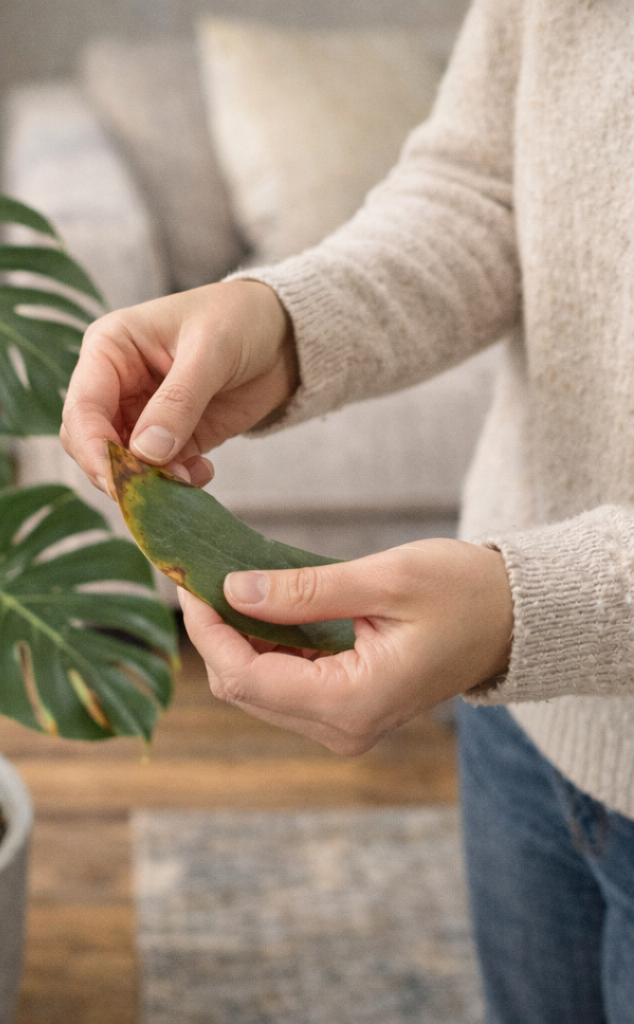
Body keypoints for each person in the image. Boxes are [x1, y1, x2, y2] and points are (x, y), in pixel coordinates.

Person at [59, 0, 634, 1020]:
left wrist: (530, 607)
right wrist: (278, 321)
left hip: (522, 628)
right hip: (520, 720)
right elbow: (485, 186)